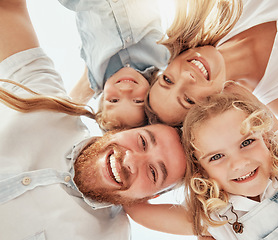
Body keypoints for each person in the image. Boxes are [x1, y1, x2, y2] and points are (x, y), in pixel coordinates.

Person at [0, 1, 186, 239]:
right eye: (141, 141)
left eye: (153, 173)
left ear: (150, 199)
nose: (130, 160)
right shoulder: (44, 101)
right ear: (121, 130)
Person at [125, 91, 278, 239]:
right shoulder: (214, 219)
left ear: (266, 138)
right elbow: (137, 211)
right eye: (216, 157)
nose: (239, 163)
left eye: (247, 142)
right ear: (202, 171)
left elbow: (239, 88)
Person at [146, 0, 278, 126]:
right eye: (188, 99)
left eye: (168, 80)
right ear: (208, 110)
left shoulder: (228, 7)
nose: (187, 76)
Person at [58, 0, 169, 131]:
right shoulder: (162, 58)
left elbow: (63, 115)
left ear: (102, 101)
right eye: (138, 101)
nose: (125, 90)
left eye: (114, 100)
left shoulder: (96, 77)